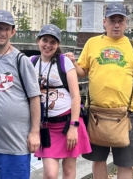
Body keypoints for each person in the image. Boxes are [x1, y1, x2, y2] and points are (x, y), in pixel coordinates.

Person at [66, 2, 133, 179]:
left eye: (120, 20)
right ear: (105, 22)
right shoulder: (92, 43)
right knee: (98, 160)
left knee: (125, 163)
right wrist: (73, 63)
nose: (116, 25)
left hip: (126, 114)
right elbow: (82, 72)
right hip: (96, 113)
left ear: (126, 23)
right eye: (112, 20)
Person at [0, 10, 41, 179]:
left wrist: (34, 132)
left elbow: (35, 98)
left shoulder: (21, 61)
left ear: (13, 32)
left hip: (14, 145)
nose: (2, 33)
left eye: (6, 29)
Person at [32, 24, 91, 179]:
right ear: (38, 40)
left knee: (69, 171)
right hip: (46, 127)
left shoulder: (64, 62)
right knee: (50, 174)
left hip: (67, 124)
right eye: (45, 40)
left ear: (57, 45)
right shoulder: (31, 62)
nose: (48, 45)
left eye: (53, 42)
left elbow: (75, 97)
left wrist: (73, 127)